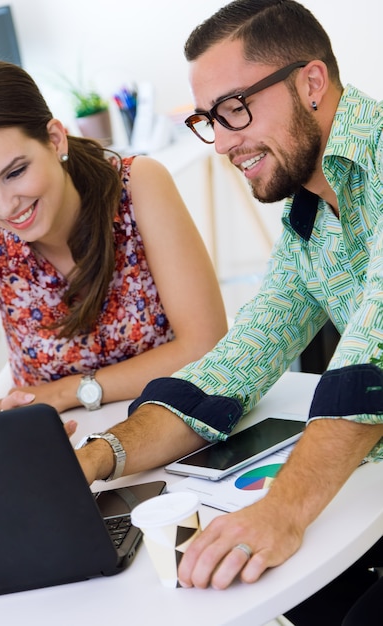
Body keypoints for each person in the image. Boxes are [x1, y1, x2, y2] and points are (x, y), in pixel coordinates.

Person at [73, 0, 383, 620]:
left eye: (235, 109)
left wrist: (282, 511)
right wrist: (97, 456)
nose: (222, 143)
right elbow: (234, 366)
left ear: (312, 83)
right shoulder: (311, 216)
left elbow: (373, 355)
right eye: (208, 120)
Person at [0, 60, 227, 424]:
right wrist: (14, 435)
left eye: (15, 172)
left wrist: (69, 391)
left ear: (55, 139)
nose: (4, 206)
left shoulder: (138, 186)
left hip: (170, 423)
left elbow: (205, 344)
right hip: (61, 455)